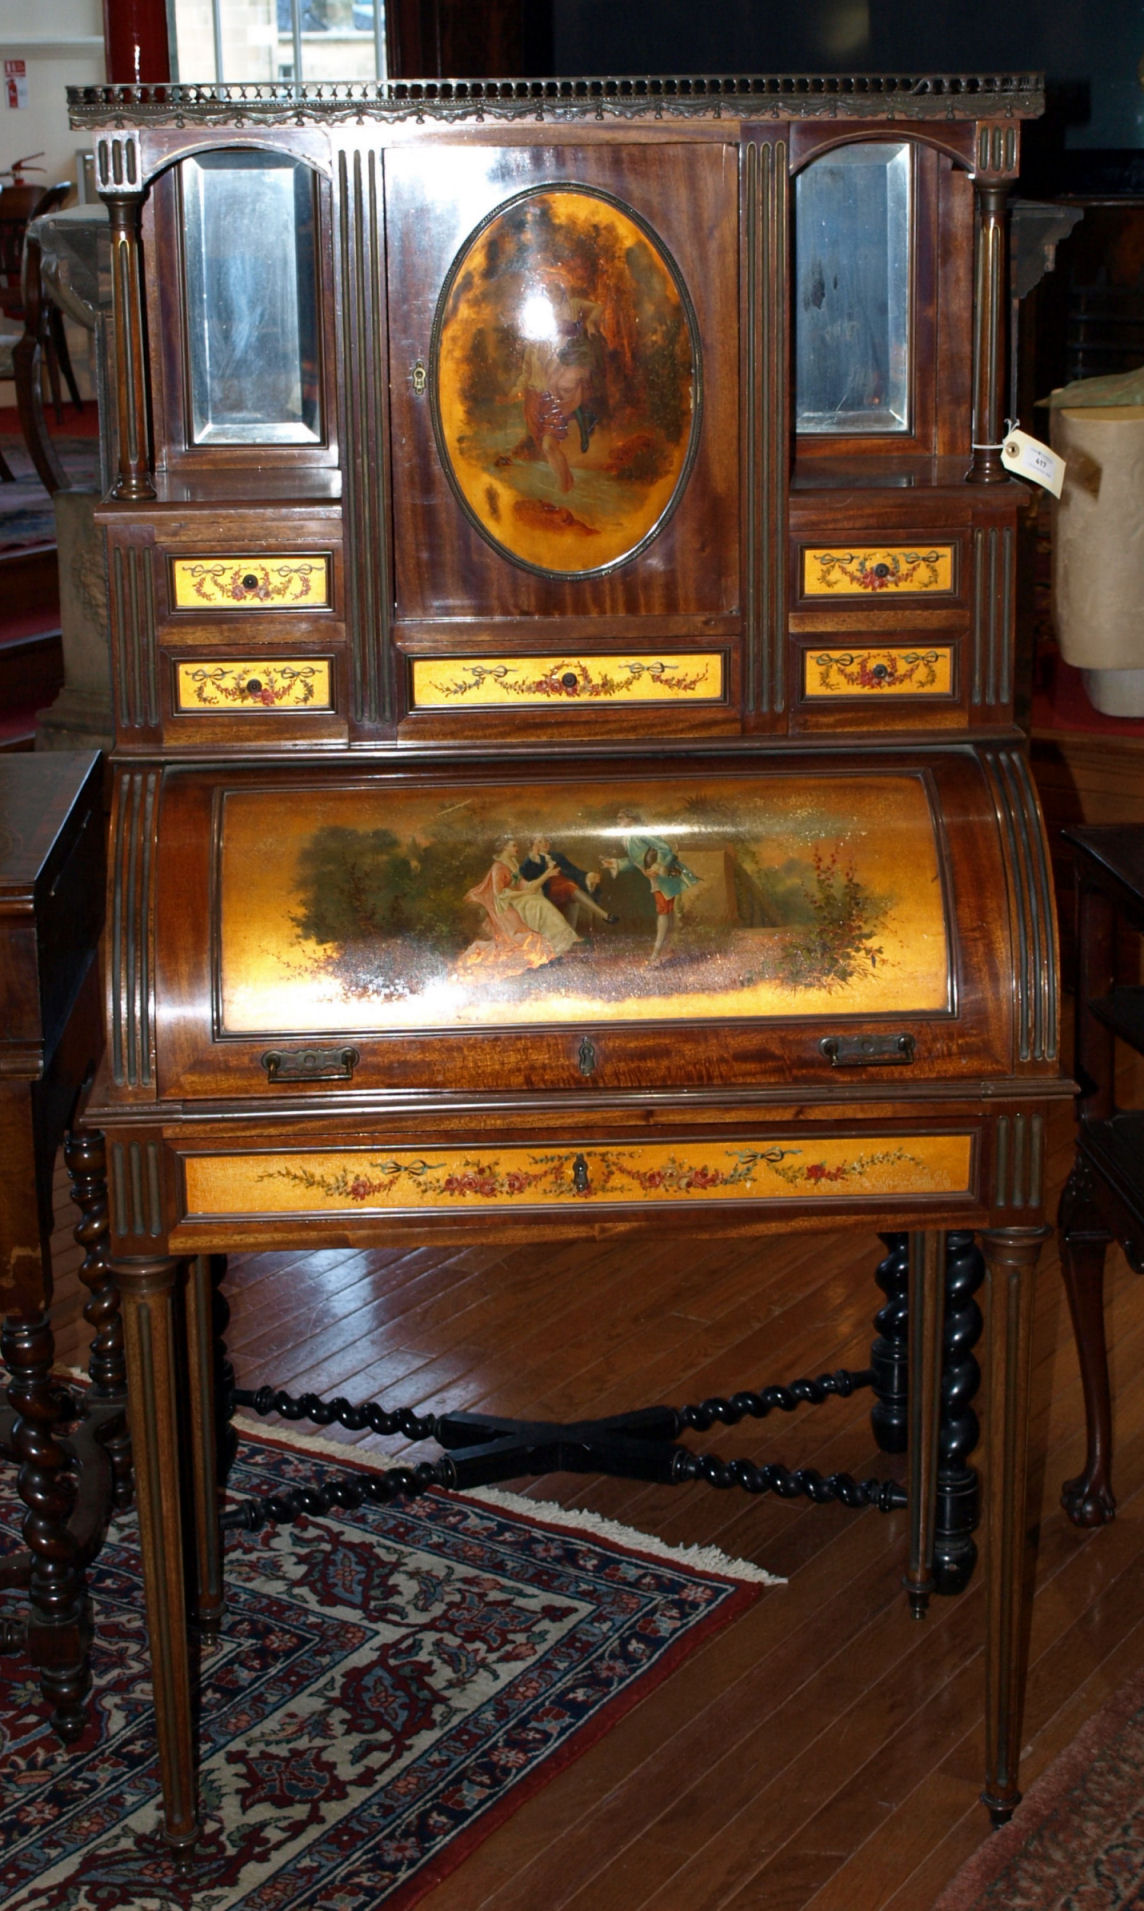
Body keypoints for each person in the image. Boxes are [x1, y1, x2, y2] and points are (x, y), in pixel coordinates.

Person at [456, 835, 581, 977]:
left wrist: (547, 875)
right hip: (505, 905)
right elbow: (499, 894)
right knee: (537, 904)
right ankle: (549, 951)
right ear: (505, 847)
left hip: (518, 899)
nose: (517, 848)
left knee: (538, 903)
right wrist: (525, 893)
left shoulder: (514, 863)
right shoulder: (498, 866)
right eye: (514, 845)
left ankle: (556, 948)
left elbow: (526, 886)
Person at [602, 808, 699, 966]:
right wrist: (616, 863)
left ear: (631, 819)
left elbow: (664, 848)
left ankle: (657, 954)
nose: (618, 821)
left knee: (666, 910)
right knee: (666, 911)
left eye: (621, 818)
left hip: (665, 875)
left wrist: (658, 865)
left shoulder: (641, 832)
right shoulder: (626, 838)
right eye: (617, 818)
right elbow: (636, 861)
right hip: (656, 878)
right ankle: (666, 950)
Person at [518, 835, 617, 933]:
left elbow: (573, 871)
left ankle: (571, 935)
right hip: (549, 890)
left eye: (545, 840)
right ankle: (604, 915)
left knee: (572, 890)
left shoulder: (557, 856)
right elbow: (526, 876)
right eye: (540, 842)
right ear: (533, 846)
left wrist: (588, 876)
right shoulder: (532, 859)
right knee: (570, 887)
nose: (545, 843)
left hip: (565, 885)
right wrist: (534, 858)